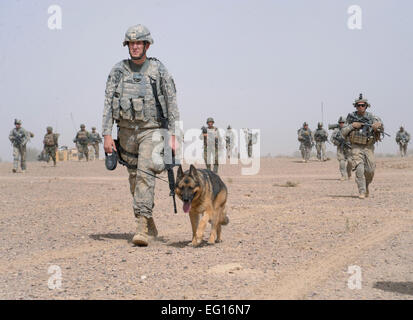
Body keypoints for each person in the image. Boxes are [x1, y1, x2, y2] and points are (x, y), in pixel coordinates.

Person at [102, 24, 180, 246]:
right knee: (135, 179)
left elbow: (172, 102)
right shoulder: (118, 71)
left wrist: (173, 134)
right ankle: (148, 219)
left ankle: (141, 228)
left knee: (146, 174)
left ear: (146, 45)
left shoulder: (158, 70)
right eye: (131, 44)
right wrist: (106, 135)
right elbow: (108, 104)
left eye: (138, 43)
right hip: (126, 133)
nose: (135, 47)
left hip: (151, 130)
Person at [341, 93, 384, 199]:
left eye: (363, 105)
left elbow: (381, 128)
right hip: (356, 147)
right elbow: (343, 132)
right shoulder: (351, 117)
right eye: (358, 105)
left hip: (368, 147)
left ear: (366, 106)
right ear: (355, 106)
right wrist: (352, 126)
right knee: (359, 168)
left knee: (370, 171)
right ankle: (362, 191)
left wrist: (377, 126)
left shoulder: (372, 117)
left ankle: (366, 185)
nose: (360, 107)